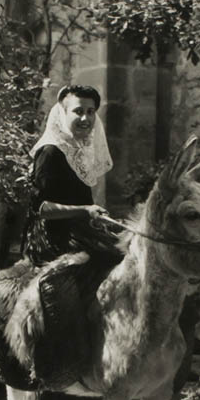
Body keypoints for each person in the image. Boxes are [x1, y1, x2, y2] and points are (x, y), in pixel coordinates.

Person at [22, 84, 120, 266]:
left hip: (79, 232)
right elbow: (41, 209)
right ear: (63, 113)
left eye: (90, 112)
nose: (85, 118)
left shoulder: (79, 152)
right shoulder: (51, 151)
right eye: (78, 111)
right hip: (52, 240)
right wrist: (85, 210)